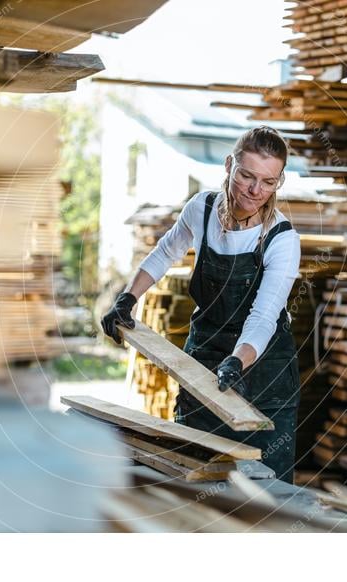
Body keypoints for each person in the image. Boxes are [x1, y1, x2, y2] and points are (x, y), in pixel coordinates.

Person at [101, 126, 301, 483]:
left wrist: (237, 362)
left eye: (269, 182)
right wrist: (128, 298)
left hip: (264, 375)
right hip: (205, 363)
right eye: (247, 176)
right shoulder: (202, 209)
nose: (256, 191)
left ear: (279, 181)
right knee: (196, 477)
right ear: (229, 166)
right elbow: (166, 251)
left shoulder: (281, 239)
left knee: (267, 496)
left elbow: (264, 316)